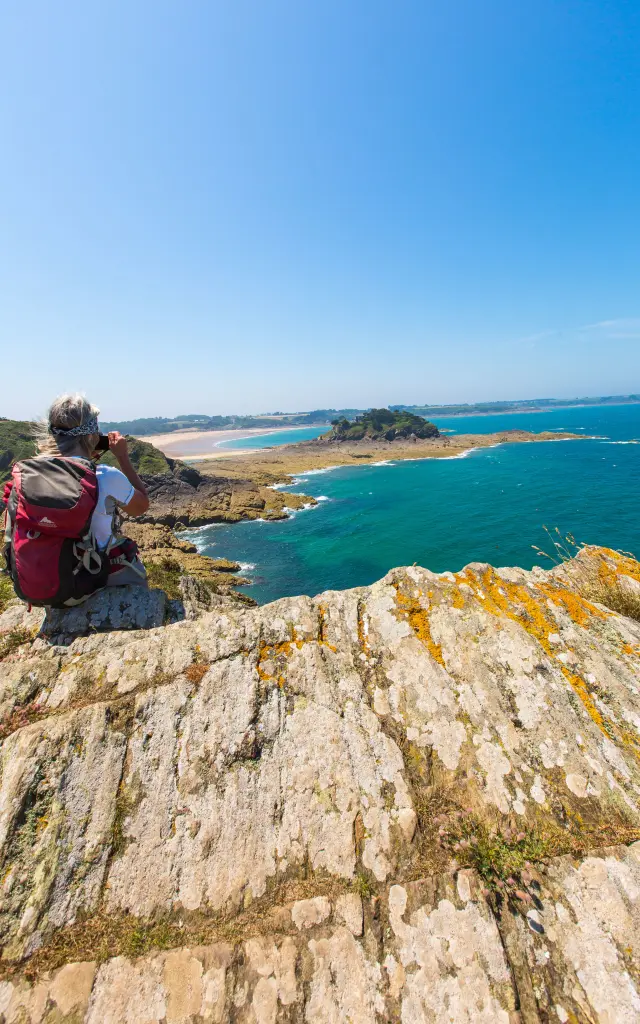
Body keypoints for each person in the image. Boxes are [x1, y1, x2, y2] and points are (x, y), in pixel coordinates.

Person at [34, 394, 150, 586]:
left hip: (45, 579)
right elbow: (141, 507)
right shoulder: (104, 476)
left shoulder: (31, 473)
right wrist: (122, 457)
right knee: (138, 579)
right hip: (96, 574)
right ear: (90, 435)